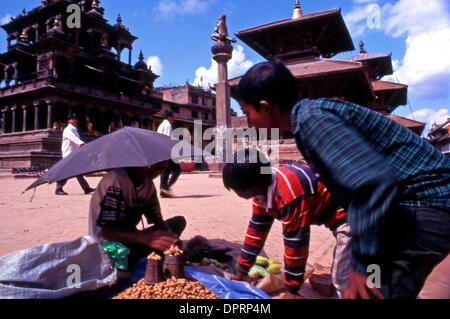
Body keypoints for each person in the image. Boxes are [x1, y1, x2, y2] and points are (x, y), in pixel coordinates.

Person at [235, 60, 450, 299]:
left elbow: (375, 183)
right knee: (370, 285)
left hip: (425, 206)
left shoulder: (311, 122)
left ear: (265, 108)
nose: (248, 122)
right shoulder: (311, 118)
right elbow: (258, 227)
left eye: (247, 113)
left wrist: (359, 265)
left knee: (374, 290)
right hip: (396, 214)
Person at [223, 149, 350, 298]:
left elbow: (296, 243)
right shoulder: (262, 192)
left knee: (343, 275)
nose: (236, 193)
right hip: (329, 213)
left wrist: (292, 289)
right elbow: (256, 232)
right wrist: (242, 271)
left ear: (250, 188)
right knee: (346, 267)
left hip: (352, 211)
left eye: (237, 190)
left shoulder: (289, 193)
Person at [88, 162, 186, 269]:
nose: (157, 171)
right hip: (108, 244)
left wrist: (171, 237)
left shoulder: (148, 186)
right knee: (126, 259)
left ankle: (148, 254)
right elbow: (107, 233)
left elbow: (158, 221)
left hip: (132, 238)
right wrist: (144, 238)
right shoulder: (117, 179)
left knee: (178, 222)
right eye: (154, 166)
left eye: (162, 168)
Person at [55, 114, 95, 196]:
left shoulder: (74, 130)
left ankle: (86, 188)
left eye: (75, 119)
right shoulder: (68, 130)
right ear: (69, 121)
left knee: (78, 172)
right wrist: (83, 144)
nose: (75, 120)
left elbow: (76, 141)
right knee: (66, 172)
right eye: (73, 119)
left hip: (74, 154)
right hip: (69, 154)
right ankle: (58, 188)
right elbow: (74, 138)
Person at [157, 110, 181, 198]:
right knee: (177, 170)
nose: (174, 118)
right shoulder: (167, 125)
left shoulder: (161, 125)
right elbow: (166, 139)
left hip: (162, 150)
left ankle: (163, 190)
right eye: (173, 116)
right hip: (167, 151)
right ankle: (166, 188)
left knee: (165, 171)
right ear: (169, 116)